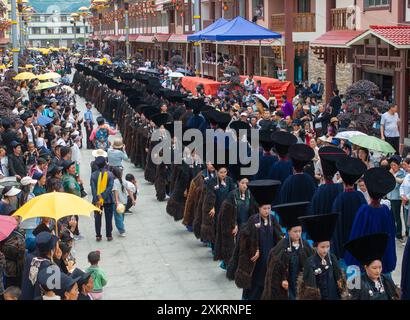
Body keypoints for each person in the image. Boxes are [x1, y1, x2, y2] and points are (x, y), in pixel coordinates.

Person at [233, 180, 283, 300]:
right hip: (257, 259)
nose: (267, 211)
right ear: (259, 208)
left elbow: (278, 236)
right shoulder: (253, 220)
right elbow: (244, 239)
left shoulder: (273, 220)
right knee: (255, 285)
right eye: (264, 208)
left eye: (269, 208)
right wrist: (253, 249)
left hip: (269, 257)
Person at [345, 168, 397, 274]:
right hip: (383, 261)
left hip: (364, 262)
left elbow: (356, 236)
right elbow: (391, 235)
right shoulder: (386, 211)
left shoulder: (364, 211)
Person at [262, 202, 314, 300]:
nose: (298, 234)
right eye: (295, 231)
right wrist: (282, 279)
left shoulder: (306, 245)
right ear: (289, 231)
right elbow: (273, 270)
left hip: (301, 285)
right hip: (287, 286)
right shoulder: (281, 247)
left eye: (300, 231)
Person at [298, 213, 346, 300]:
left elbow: (339, 278)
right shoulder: (310, 262)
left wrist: (343, 292)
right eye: (322, 247)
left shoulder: (332, 258)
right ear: (316, 247)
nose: (325, 250)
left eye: (328, 247)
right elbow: (311, 288)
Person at [331, 158, 367, 263]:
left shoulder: (339, 199)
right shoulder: (360, 196)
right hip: (359, 244)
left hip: (344, 244)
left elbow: (336, 224)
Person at [345, 233, 400, 300]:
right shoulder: (357, 284)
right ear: (366, 267)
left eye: (380, 267)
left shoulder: (386, 280)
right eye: (374, 268)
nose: (378, 271)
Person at [309, 146, 346, 215]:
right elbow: (316, 174)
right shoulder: (340, 189)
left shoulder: (320, 191)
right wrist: (320, 177)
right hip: (324, 183)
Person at [90, 156, 114, 241]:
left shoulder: (93, 175)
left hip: (97, 201)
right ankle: (109, 235)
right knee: (109, 218)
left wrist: (97, 199)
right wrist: (103, 196)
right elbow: (110, 187)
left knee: (97, 218)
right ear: (105, 164)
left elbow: (93, 189)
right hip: (108, 199)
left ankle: (98, 235)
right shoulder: (110, 174)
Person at [387, 155, 406, 243]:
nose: (392, 167)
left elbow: (396, 185)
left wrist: (392, 176)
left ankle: (398, 234)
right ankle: (392, 232)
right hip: (390, 197)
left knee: (397, 217)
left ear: (398, 165)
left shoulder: (402, 173)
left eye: (394, 165)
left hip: (396, 198)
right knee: (391, 216)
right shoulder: (391, 172)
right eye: (391, 165)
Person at [111, 166, 129, 237]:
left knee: (118, 216)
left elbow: (116, 191)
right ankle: (121, 226)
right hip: (124, 201)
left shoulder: (115, 182)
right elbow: (129, 190)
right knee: (122, 215)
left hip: (118, 203)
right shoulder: (124, 181)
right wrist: (132, 199)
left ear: (114, 174)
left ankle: (122, 230)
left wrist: (117, 201)